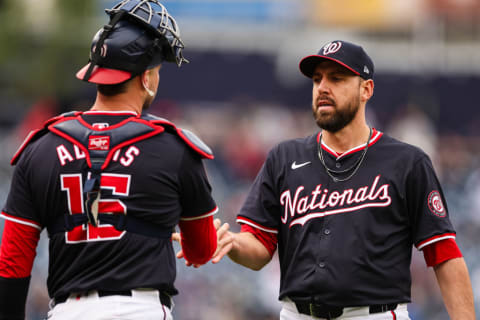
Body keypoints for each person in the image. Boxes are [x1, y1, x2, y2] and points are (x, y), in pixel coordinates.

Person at [203, 40, 476, 319]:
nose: (322, 87)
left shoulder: (407, 162)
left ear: (366, 89)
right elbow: (259, 247)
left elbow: (444, 255)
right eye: (317, 79)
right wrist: (234, 244)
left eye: (337, 78)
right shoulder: (284, 158)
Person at [0, 1, 218, 319]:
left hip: (67, 312)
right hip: (141, 309)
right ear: (146, 78)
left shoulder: (41, 147)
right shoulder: (174, 148)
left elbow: (12, 260)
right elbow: (202, 250)